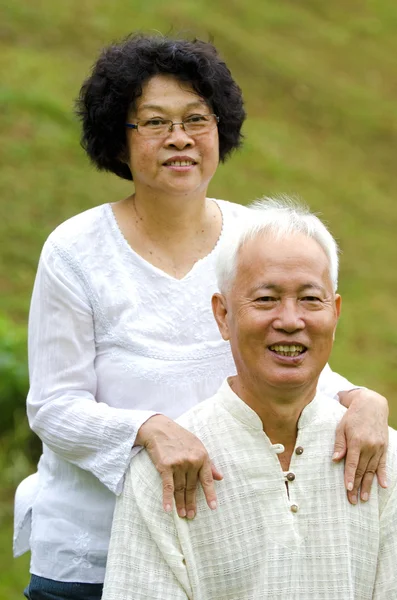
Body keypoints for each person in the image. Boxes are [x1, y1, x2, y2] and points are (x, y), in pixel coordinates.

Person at [13, 34, 388, 599]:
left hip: (214, 547)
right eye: (155, 123)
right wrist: (148, 429)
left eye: (196, 118)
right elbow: (53, 407)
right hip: (91, 555)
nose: (180, 139)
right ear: (119, 139)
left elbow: (281, 346)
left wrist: (364, 401)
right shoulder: (75, 251)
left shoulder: (250, 237)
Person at [102, 199, 397, 600]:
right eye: (265, 299)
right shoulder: (165, 472)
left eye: (311, 299)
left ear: (336, 312)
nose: (291, 321)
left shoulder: (384, 456)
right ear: (223, 316)